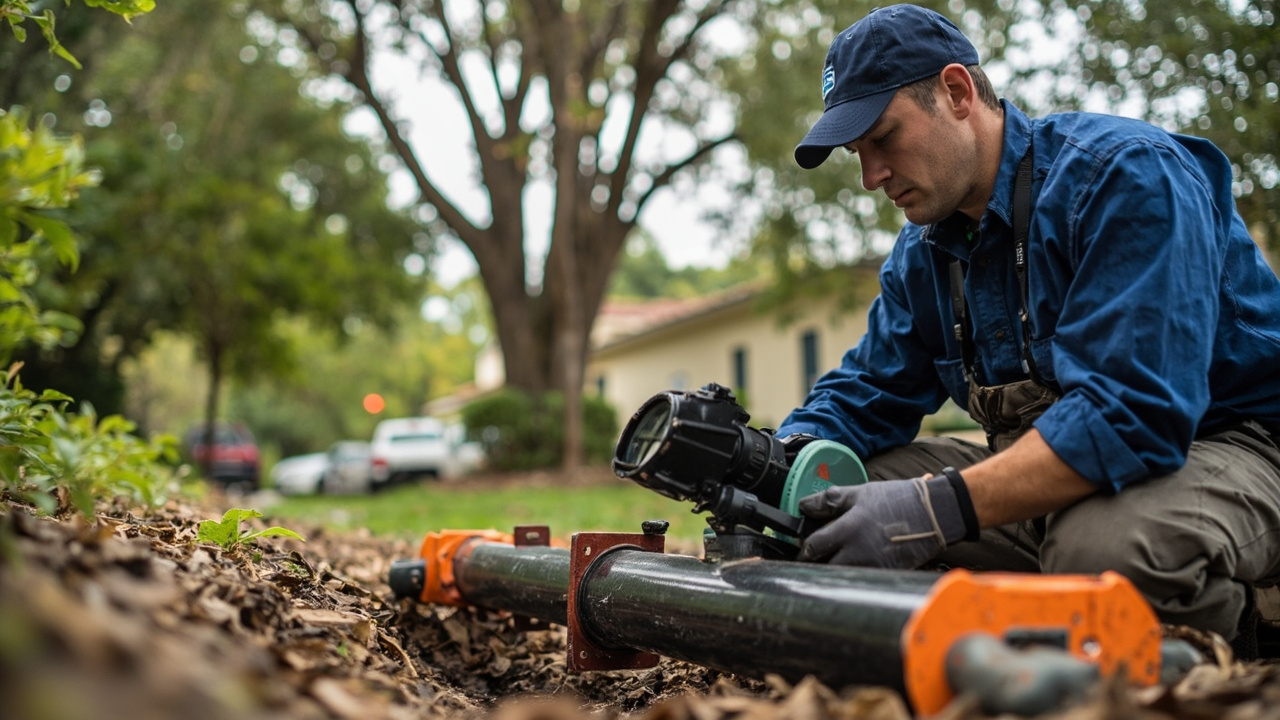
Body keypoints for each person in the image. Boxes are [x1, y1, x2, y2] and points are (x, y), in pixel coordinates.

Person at [775, 3, 1280, 650]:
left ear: (956, 92)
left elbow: (1134, 413)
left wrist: (934, 510)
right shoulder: (924, 254)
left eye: (884, 138)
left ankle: (1254, 619)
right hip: (1060, 483)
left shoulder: (1125, 177)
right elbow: (869, 393)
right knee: (834, 499)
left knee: (1104, 556)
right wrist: (780, 459)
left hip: (1231, 449)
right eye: (856, 153)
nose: (872, 176)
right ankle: (1027, 629)